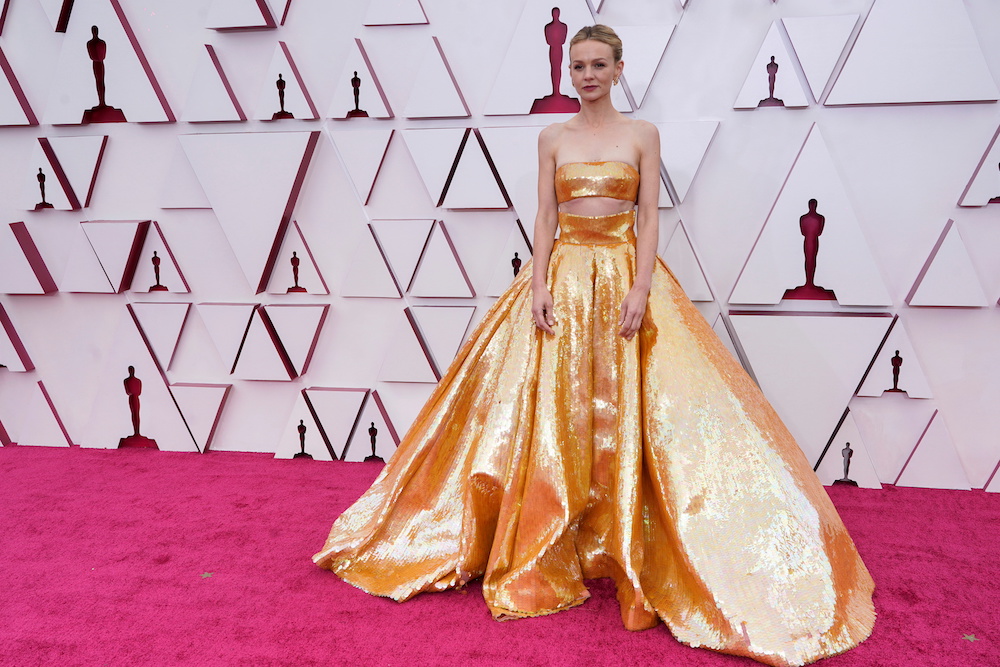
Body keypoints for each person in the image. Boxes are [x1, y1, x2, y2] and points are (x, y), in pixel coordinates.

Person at [314, 25, 874, 667]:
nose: (586, 74)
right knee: (557, 412)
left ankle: (632, 544)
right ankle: (554, 537)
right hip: (565, 280)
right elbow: (546, 215)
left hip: (628, 279)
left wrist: (641, 286)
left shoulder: (642, 135)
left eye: (597, 64)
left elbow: (650, 217)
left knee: (648, 410)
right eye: (577, 65)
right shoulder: (552, 137)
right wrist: (538, 284)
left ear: (617, 68)